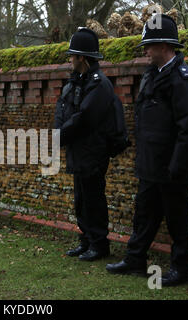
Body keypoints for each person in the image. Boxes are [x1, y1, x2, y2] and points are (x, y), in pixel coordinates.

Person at [106, 14, 188, 286]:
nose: (145, 51)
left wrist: (178, 164)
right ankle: (135, 258)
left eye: (149, 46)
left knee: (177, 218)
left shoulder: (183, 80)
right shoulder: (152, 75)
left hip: (172, 166)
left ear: (164, 46)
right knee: (144, 214)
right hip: (150, 163)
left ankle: (180, 268)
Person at [54, 28, 117, 261]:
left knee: (93, 199)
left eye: (72, 55)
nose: (69, 59)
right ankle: (86, 240)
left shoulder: (99, 85)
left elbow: (84, 117)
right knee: (81, 199)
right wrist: (58, 132)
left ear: (81, 57)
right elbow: (62, 107)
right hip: (78, 149)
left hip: (93, 150)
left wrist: (60, 135)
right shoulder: (77, 81)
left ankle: (99, 244)